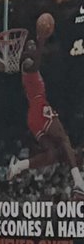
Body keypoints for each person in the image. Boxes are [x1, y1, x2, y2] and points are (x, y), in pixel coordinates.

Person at [7, 33, 84, 199]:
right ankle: (78, 182)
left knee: (52, 155)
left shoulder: (32, 68)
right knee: (64, 138)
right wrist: (41, 41)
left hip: (33, 115)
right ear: (24, 51)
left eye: (34, 45)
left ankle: (19, 166)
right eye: (30, 46)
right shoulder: (27, 64)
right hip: (39, 107)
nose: (33, 47)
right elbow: (36, 62)